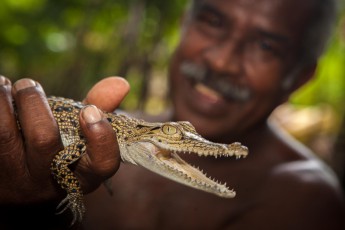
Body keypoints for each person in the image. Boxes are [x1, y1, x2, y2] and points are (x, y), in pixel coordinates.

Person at [0, 0, 344, 229]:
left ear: (298, 77)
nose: (221, 62)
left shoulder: (308, 200)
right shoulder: (98, 131)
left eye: (266, 46)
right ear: (184, 24)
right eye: (213, 21)